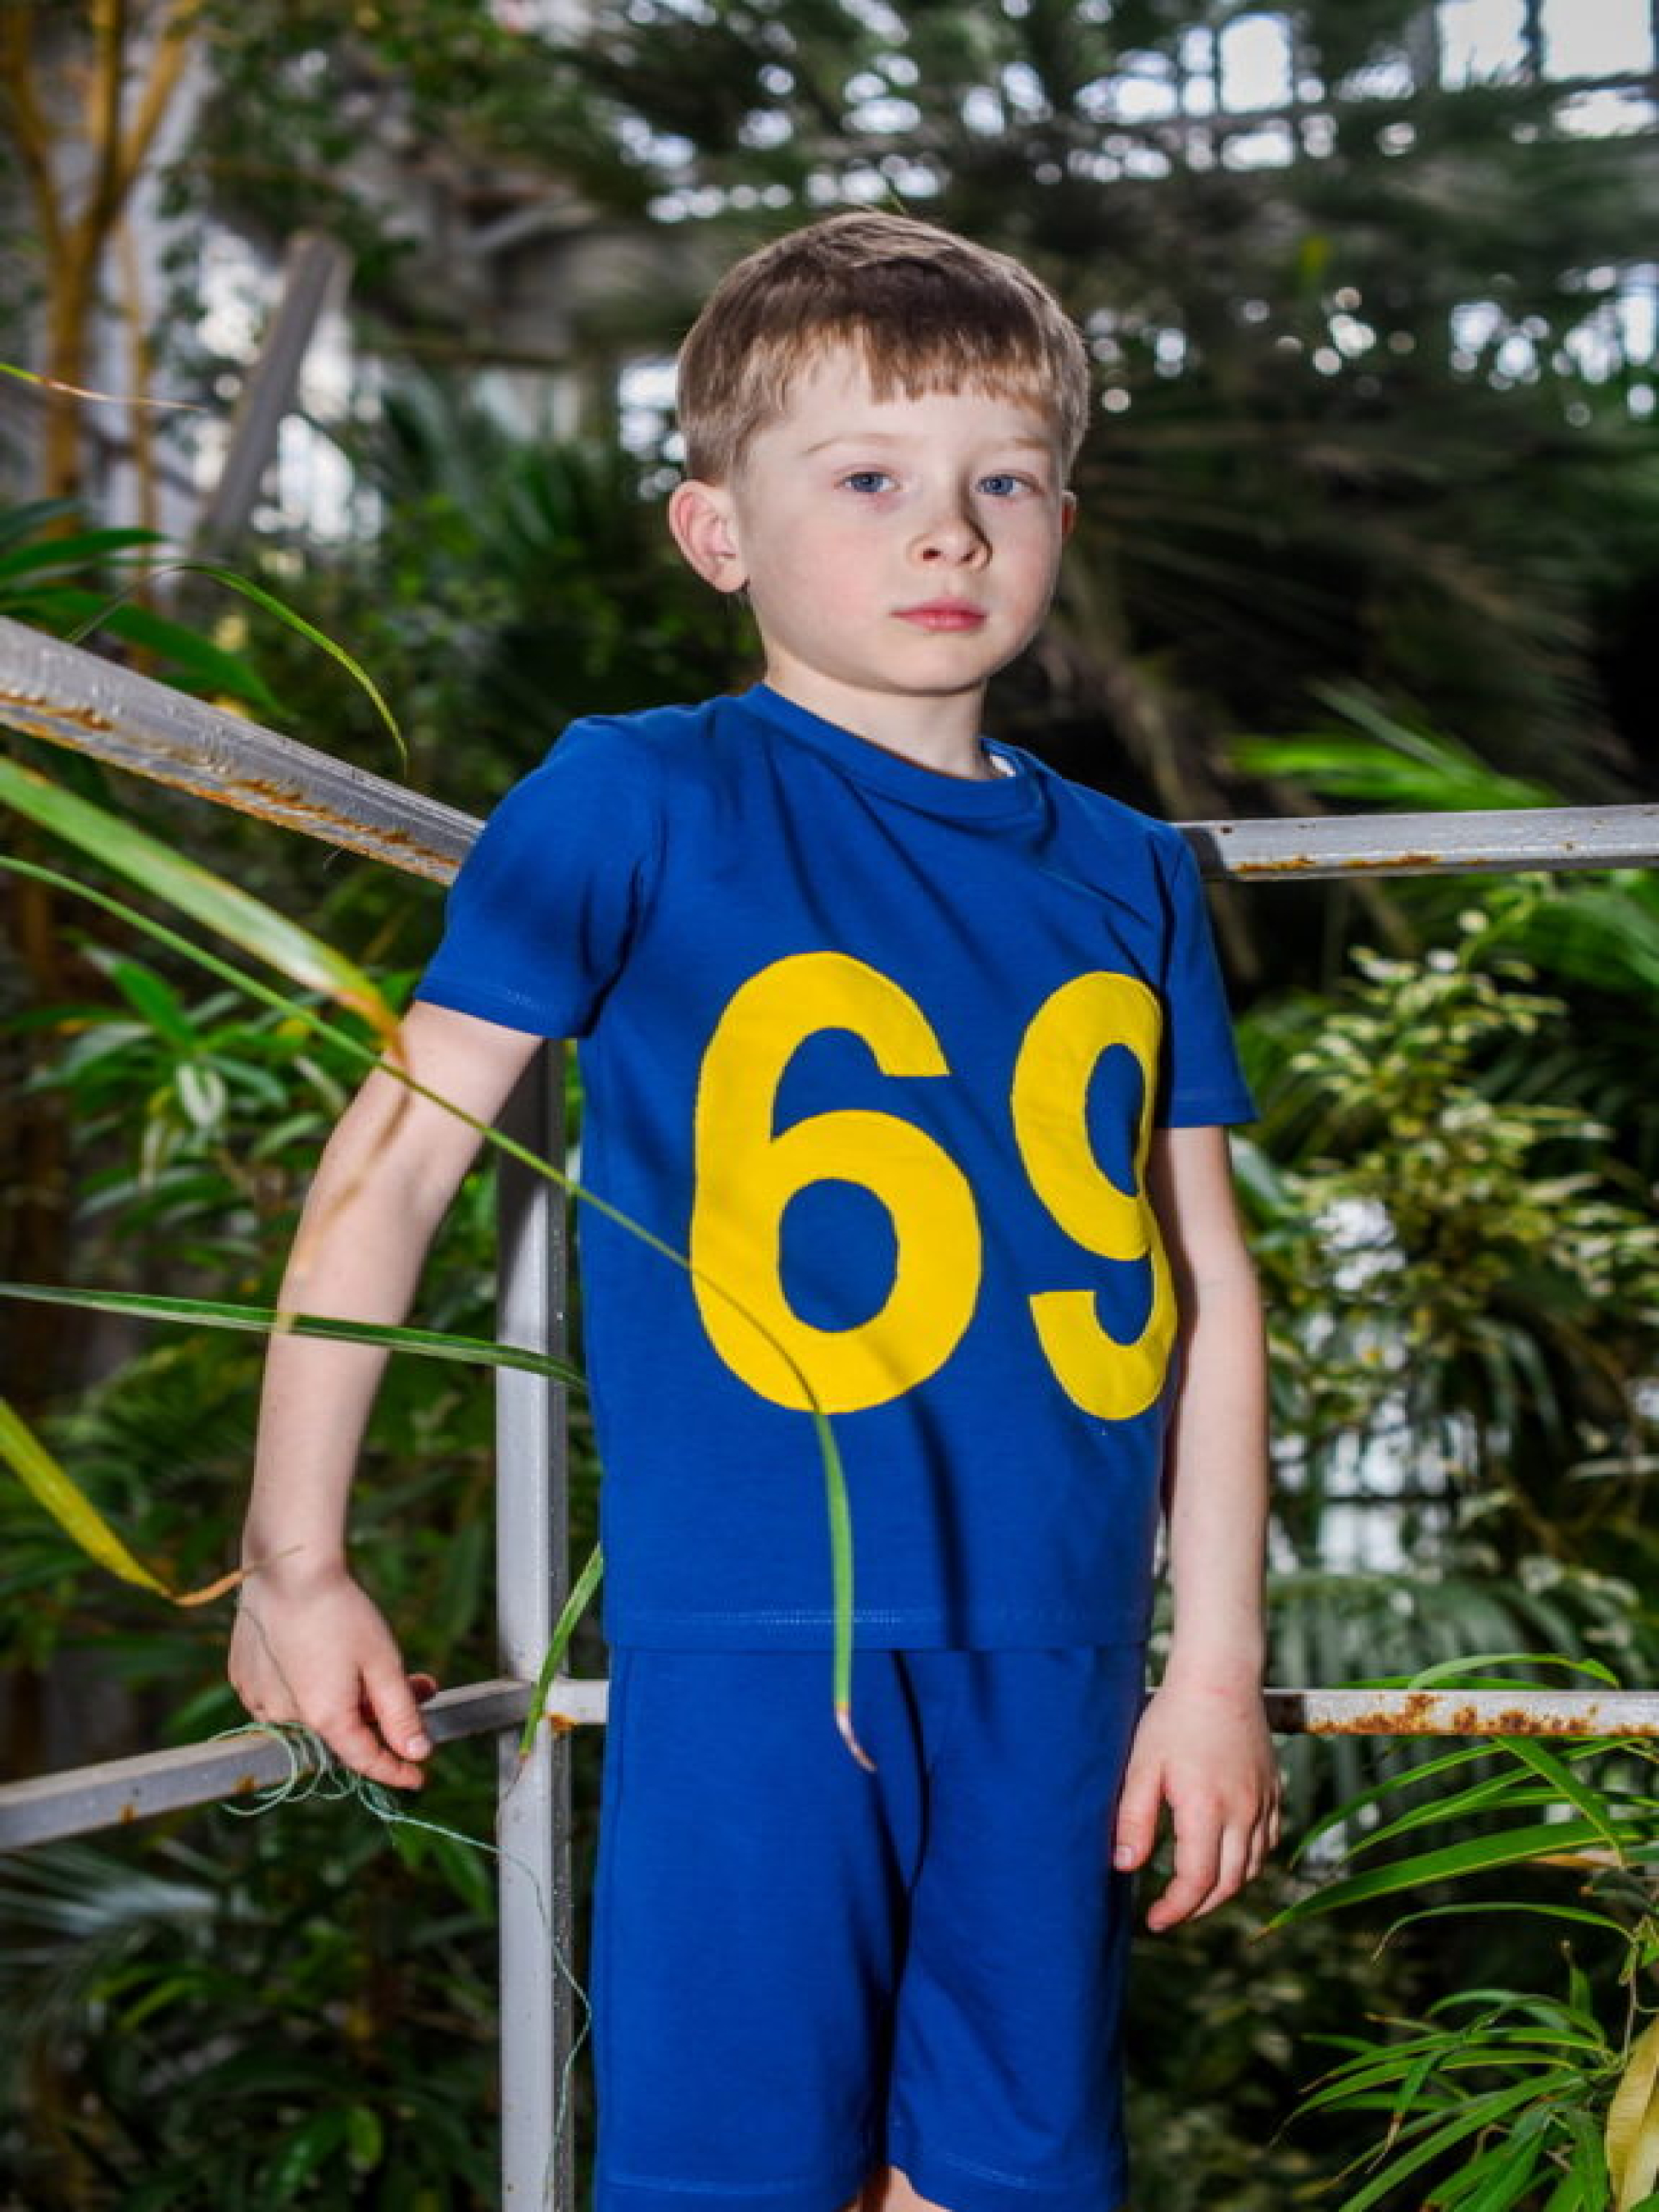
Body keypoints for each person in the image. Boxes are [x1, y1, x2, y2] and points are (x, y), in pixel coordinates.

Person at [229, 210, 1282, 2212]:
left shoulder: (1131, 872)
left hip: (1062, 1652)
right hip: (753, 1643)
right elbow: (396, 1158)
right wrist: (293, 1556)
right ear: (715, 533)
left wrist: (1212, 1665)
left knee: (1012, 2174)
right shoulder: (637, 792)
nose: (946, 531)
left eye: (1002, 483)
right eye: (867, 479)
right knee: (735, 2168)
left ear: (1060, 520)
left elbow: (1205, 1285)